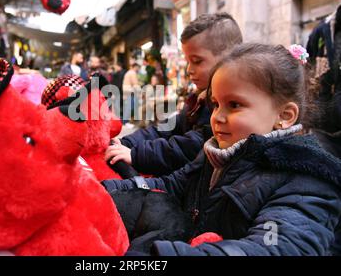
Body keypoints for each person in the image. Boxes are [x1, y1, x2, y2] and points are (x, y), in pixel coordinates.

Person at [103, 43, 341, 256]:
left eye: (234, 105)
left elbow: (276, 246)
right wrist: (105, 190)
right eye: (216, 104)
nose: (218, 117)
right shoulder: (217, 153)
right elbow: (173, 185)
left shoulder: (307, 181)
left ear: (284, 115)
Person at [105, 13, 243, 176]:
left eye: (197, 61)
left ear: (228, 58)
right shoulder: (199, 98)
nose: (189, 69)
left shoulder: (225, 104)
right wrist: (127, 142)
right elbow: (171, 127)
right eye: (188, 61)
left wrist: (136, 155)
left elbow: (190, 147)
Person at [122, 60, 141, 126]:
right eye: (138, 67)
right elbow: (135, 84)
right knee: (129, 107)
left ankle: (126, 121)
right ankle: (125, 122)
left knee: (128, 107)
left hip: (128, 93)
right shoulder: (132, 73)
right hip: (130, 93)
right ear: (135, 67)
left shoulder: (129, 72)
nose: (138, 69)